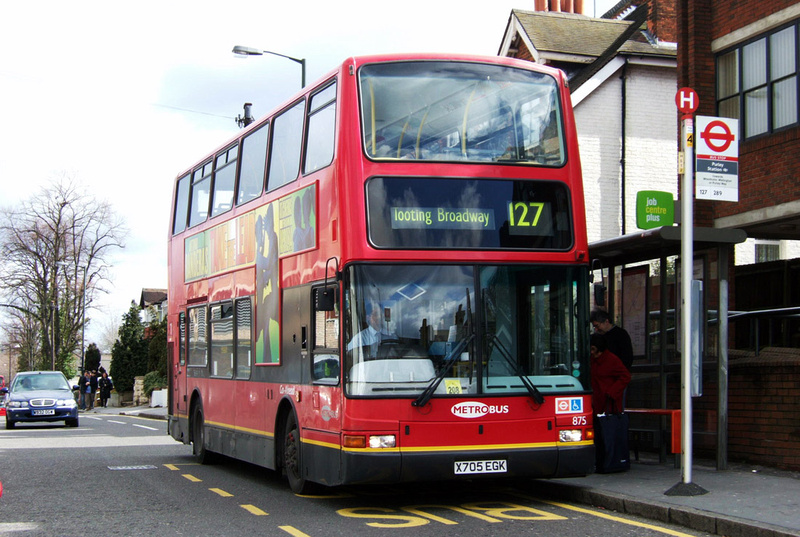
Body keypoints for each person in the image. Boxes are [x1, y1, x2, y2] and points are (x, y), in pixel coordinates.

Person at [589, 333, 631, 415]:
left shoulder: (612, 360)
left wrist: (611, 392)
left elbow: (625, 376)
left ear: (600, 348)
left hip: (608, 404)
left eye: (593, 349)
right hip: (597, 402)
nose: (591, 352)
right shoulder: (592, 360)